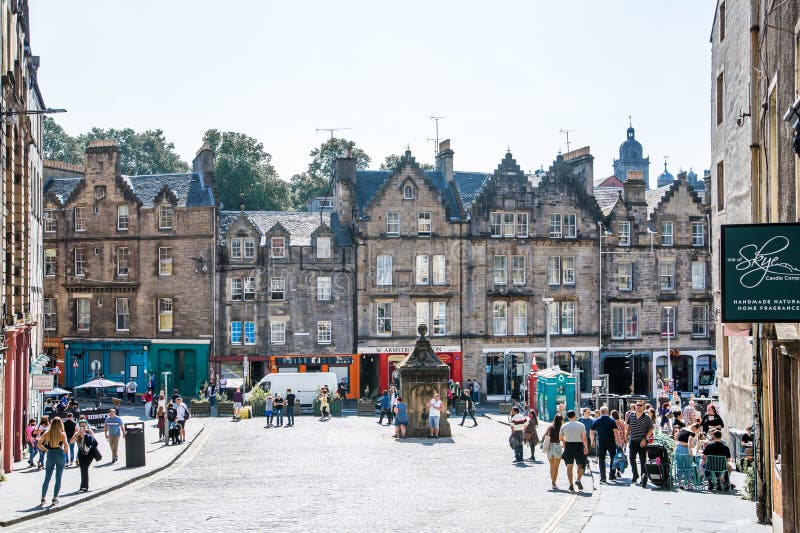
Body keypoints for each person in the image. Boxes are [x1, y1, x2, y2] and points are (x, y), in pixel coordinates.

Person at [38, 416, 68, 506]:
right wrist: (65, 451)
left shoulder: (47, 433)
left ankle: (43, 499)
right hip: (60, 453)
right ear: (60, 424)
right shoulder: (62, 434)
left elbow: (39, 444)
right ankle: (55, 498)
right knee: (58, 478)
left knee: (47, 478)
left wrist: (46, 450)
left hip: (50, 454)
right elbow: (66, 446)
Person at [626, 401, 654, 487]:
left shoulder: (647, 417)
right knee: (631, 458)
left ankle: (643, 477)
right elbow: (628, 425)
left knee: (642, 461)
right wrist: (626, 435)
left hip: (642, 442)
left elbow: (651, 429)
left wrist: (645, 439)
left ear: (643, 407)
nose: (638, 406)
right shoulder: (631, 415)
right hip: (633, 441)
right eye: (637, 405)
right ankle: (635, 475)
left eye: (640, 405)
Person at [560, 411, 589, 492]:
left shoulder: (564, 426)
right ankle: (578, 480)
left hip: (569, 446)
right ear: (575, 416)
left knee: (569, 467)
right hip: (579, 446)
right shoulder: (581, 425)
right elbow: (584, 438)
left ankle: (571, 485)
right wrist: (586, 447)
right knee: (581, 465)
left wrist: (565, 441)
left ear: (568, 417)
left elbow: (560, 438)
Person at [591, 406, 620, 483]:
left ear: (600, 412)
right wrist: (618, 441)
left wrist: (592, 441)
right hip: (611, 442)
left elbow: (591, 431)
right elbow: (616, 432)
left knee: (601, 459)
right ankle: (612, 475)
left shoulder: (596, 420)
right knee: (613, 458)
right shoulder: (612, 420)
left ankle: (603, 477)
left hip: (601, 442)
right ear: (607, 411)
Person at [72, 419, 98, 493]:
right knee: (82, 468)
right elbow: (71, 441)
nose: (82, 427)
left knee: (85, 467)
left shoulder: (89, 431)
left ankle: (84, 487)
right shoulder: (77, 433)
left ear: (86, 425)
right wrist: (77, 435)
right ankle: (83, 486)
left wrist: (86, 435)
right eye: (81, 426)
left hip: (89, 453)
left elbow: (95, 442)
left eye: (84, 426)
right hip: (81, 452)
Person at [675, 423, 701, 488]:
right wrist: (690, 450)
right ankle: (689, 484)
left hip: (678, 449)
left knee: (679, 467)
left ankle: (680, 483)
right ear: (695, 428)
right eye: (698, 430)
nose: (697, 431)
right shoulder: (692, 433)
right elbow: (690, 443)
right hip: (686, 451)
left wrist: (682, 443)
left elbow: (676, 438)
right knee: (688, 467)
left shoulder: (681, 429)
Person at [544, 414, 564, 490]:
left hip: (549, 447)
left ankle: (553, 482)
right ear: (561, 420)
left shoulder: (550, 427)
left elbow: (544, 436)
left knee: (551, 466)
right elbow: (562, 438)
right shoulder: (562, 428)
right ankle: (553, 483)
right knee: (556, 467)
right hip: (557, 447)